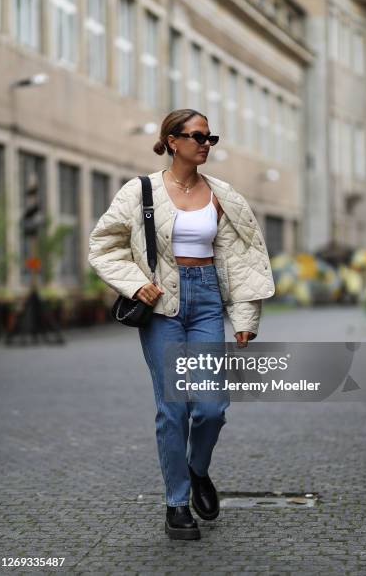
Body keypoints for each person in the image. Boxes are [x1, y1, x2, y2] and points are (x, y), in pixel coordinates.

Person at [88, 109, 275, 540]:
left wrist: (245, 317)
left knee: (211, 408)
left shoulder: (223, 195)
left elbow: (241, 259)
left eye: (210, 137)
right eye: (197, 136)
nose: (206, 144)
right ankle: (176, 505)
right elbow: (104, 245)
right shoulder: (141, 191)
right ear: (173, 141)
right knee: (173, 409)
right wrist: (136, 284)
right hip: (162, 310)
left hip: (208, 301)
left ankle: (197, 471)